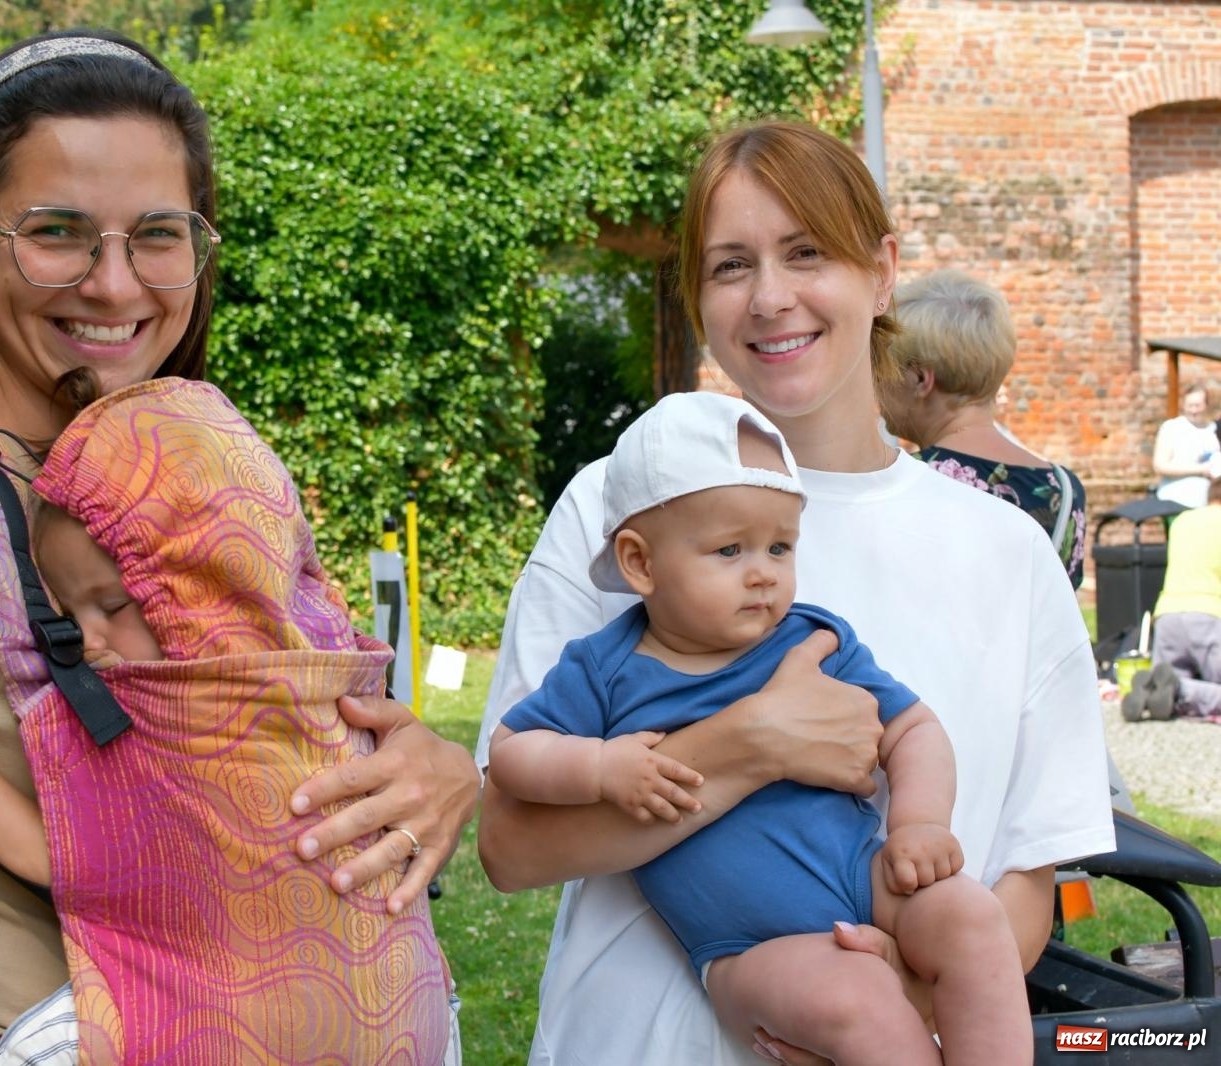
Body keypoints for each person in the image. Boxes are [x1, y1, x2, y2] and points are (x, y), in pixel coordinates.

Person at [0, 31, 477, 1065]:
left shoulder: (198, 462)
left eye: (157, 235)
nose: (113, 284)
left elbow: (300, 708)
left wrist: (436, 769)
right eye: (56, 232)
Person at [475, 119, 1115, 1066]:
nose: (771, 297)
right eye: (731, 266)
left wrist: (885, 1008)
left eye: (806, 252)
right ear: (699, 299)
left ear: (882, 270)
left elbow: (1024, 880)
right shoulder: (618, 508)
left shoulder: (1003, 550)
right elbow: (513, 848)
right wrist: (753, 744)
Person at [489, 391, 1030, 1064]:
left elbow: (914, 727)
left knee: (972, 919)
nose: (763, 575)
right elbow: (512, 753)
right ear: (639, 562)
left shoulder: (814, 638)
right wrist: (597, 768)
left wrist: (920, 823)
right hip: (748, 947)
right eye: (729, 550)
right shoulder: (605, 670)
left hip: (865, 877)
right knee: (855, 998)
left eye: (780, 547)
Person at [0, 377, 451, 1063]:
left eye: (113, 608)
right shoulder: (328, 671)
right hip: (409, 1022)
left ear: (205, 583)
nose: (86, 643)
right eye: (68, 615)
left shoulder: (182, 744)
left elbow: (63, 856)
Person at [875, 270, 1087, 589]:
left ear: (920, 380)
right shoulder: (1064, 488)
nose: (876, 383)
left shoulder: (905, 479)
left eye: (882, 368)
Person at [1123, 476, 1221, 721]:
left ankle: (1155, 692)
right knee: (1195, 686)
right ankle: (1181, 690)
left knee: (1164, 683)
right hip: (1208, 616)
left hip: (1167, 616)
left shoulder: (1182, 521)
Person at [1151, 384, 1220, 511]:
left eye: (1197, 405)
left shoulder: (1214, 430)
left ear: (1207, 405)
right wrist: (1200, 469)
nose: (1193, 410)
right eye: (1190, 405)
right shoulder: (1172, 428)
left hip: (1207, 505)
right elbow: (1159, 466)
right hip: (1175, 501)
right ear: (1183, 405)